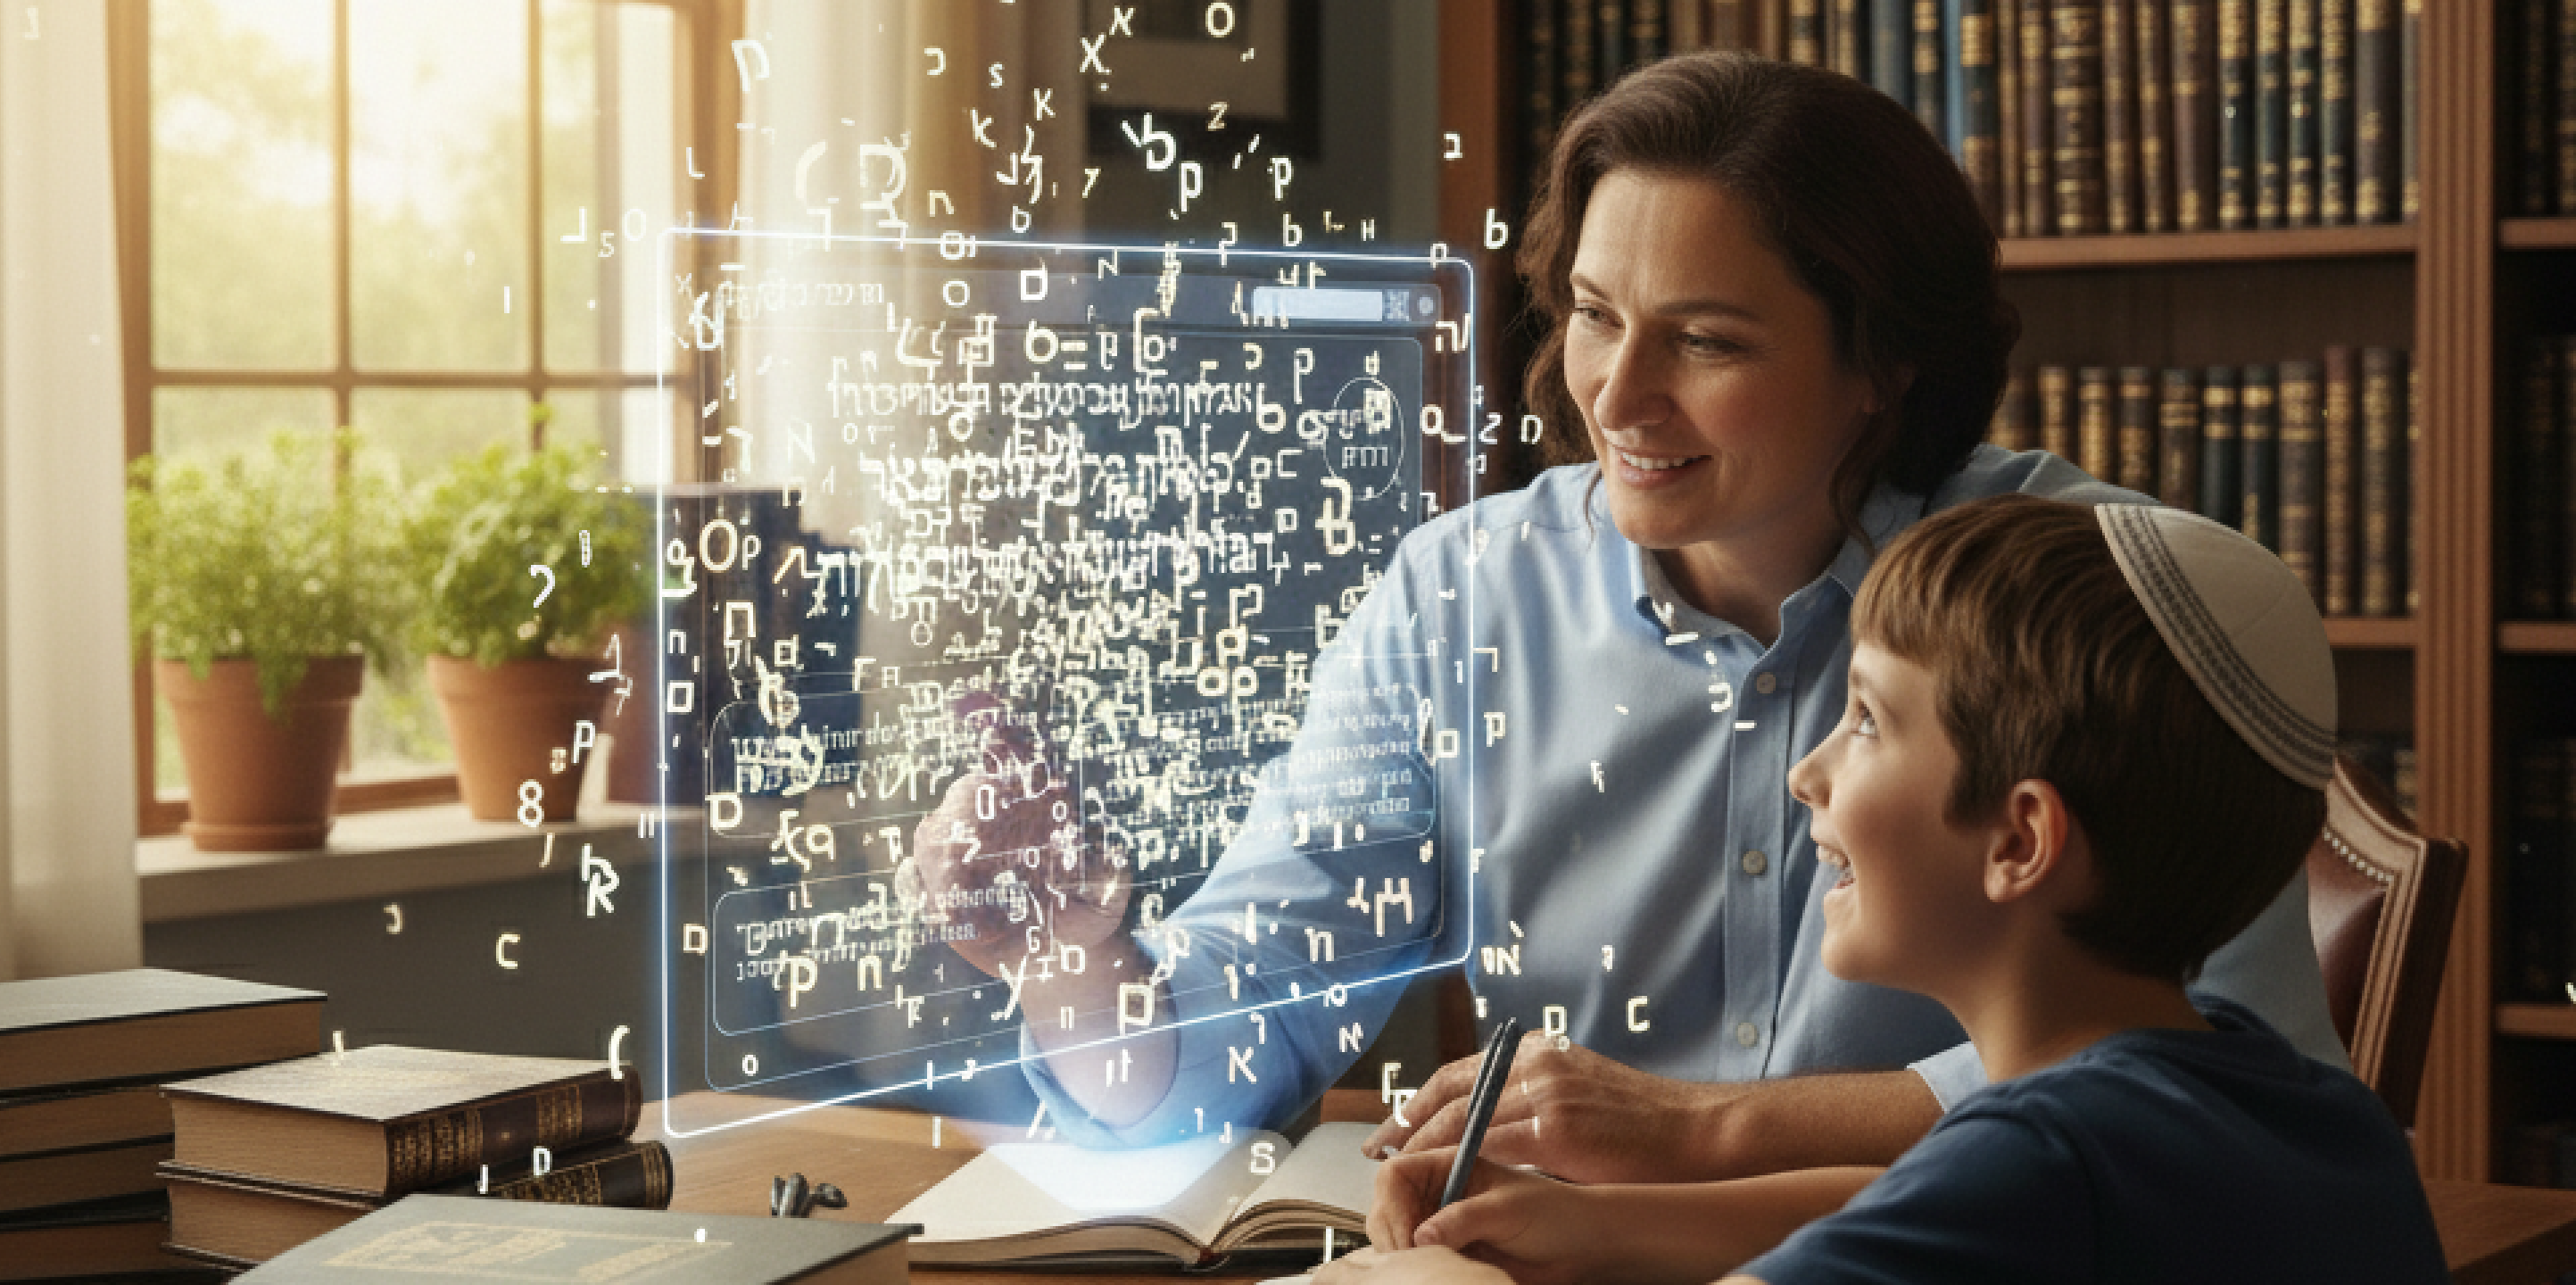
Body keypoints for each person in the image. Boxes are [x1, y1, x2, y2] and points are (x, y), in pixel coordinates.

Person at [905, 51, 2347, 1186]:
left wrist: (1695, 1134)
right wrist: (1077, 967)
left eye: (1705, 339)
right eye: (1594, 315)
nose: (1616, 394)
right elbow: (1234, 1045)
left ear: (1883, 366)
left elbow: (2221, 1060)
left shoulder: (2083, 601)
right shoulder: (1457, 600)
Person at [1320, 495, 2450, 1284]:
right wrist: (1604, 1227)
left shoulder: (2042, 1168)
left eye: (1865, 722)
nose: (1810, 774)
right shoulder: (2269, 1095)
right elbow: (1909, 1205)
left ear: (2020, 842)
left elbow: (1985, 1196)